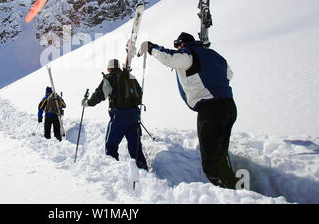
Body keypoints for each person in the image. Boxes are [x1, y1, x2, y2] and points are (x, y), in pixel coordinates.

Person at [140, 32, 238, 189]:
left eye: (178, 45)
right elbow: (229, 74)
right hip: (229, 106)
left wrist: (151, 48)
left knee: (211, 162)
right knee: (220, 153)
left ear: (182, 43)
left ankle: (232, 194)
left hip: (210, 108)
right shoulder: (214, 55)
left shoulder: (188, 54)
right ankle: (235, 188)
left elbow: (169, 58)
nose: (178, 48)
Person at [81, 59, 148, 170]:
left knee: (111, 145)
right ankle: (142, 170)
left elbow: (99, 95)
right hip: (134, 117)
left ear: (110, 68)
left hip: (119, 118)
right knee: (136, 148)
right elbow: (139, 92)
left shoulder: (109, 79)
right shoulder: (130, 76)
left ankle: (113, 171)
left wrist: (87, 102)